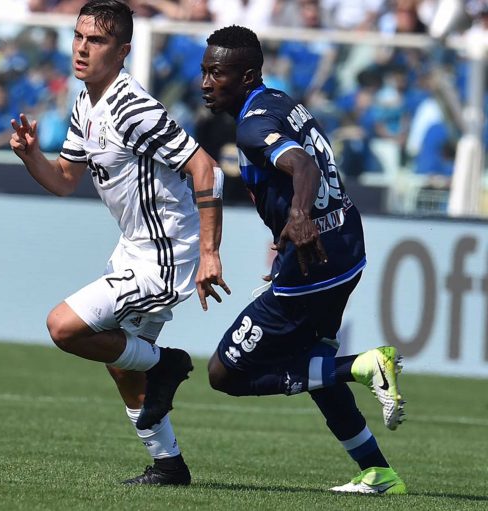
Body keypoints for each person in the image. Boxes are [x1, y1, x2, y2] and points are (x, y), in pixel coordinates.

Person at [10, 0, 228, 485]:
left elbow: (207, 168)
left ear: (123, 51)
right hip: (135, 247)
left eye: (97, 40)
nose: (82, 48)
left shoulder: (134, 109)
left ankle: (167, 364)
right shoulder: (85, 102)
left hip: (166, 254)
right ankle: (169, 465)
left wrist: (210, 253)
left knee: (63, 326)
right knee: (123, 363)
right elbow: (65, 179)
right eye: (79, 36)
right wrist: (31, 157)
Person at [199, 25, 407, 494]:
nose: (206, 83)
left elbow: (304, 166)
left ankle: (363, 365)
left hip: (315, 263)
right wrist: (287, 238)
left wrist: (298, 217)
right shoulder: (280, 101)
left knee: (225, 373)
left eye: (218, 73)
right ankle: (378, 472)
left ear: (247, 76)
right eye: (205, 71)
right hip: (344, 248)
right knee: (311, 363)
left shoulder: (251, 127)